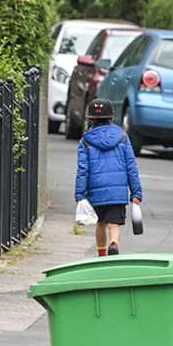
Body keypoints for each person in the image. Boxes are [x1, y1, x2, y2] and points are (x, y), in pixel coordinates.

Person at [74, 98, 142, 256]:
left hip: (95, 189)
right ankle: (114, 243)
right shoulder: (123, 137)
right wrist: (136, 192)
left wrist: (80, 194)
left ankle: (102, 254)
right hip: (117, 191)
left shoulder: (86, 141)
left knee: (101, 223)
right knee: (114, 223)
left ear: (90, 119)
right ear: (111, 117)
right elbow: (131, 166)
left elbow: (83, 170)